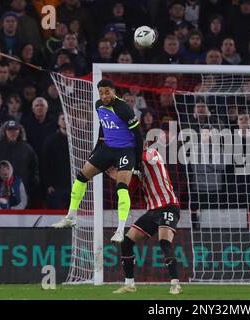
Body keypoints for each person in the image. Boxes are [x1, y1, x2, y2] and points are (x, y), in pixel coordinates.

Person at [52, 80, 143, 244]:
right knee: (81, 176)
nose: (104, 96)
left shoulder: (124, 109)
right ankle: (71, 216)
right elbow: (103, 126)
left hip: (126, 150)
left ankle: (121, 230)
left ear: (114, 92)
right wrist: (96, 151)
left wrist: (137, 163)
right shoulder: (98, 105)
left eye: (107, 92)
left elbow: (138, 135)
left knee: (122, 187)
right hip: (107, 147)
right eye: (101, 93)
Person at [107, 142, 182, 295]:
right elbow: (131, 188)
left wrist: (122, 170)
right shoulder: (136, 165)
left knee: (164, 241)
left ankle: (175, 284)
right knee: (127, 241)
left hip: (169, 206)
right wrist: (118, 178)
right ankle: (129, 284)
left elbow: (146, 160)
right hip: (153, 211)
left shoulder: (151, 153)